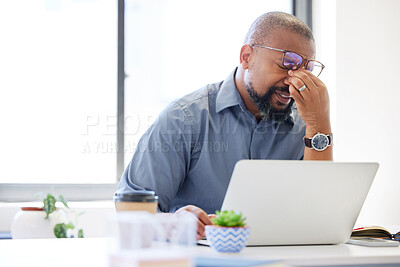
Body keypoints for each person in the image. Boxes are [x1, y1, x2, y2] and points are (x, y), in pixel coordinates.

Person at [117, 11, 332, 239]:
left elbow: (320, 216)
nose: (294, 81)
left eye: (306, 69)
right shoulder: (184, 119)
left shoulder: (305, 127)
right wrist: (173, 221)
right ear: (246, 56)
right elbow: (129, 216)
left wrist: (319, 124)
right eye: (287, 64)